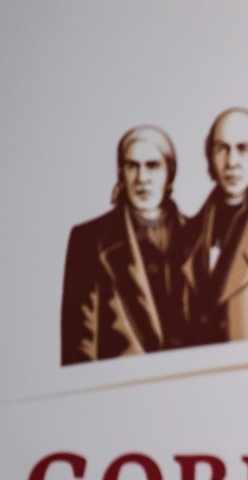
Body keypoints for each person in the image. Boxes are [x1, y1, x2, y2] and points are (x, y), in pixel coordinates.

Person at [61, 126, 189, 364]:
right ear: (121, 173)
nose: (142, 178)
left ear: (169, 173)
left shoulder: (196, 235)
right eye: (132, 166)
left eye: (152, 165)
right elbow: (79, 347)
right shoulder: (88, 240)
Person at [182, 108, 248, 345]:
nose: (231, 162)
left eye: (243, 149)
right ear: (210, 155)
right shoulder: (190, 231)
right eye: (222, 148)